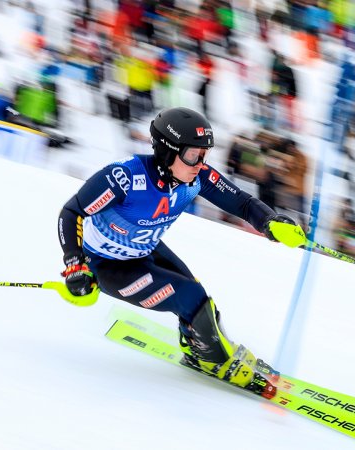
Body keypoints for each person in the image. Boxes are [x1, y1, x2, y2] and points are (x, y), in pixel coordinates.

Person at [57, 107, 307, 396]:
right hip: (104, 266)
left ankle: (198, 344)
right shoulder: (124, 177)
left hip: (142, 251)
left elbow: (242, 202)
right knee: (190, 296)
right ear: (167, 152)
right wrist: (75, 265)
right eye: (192, 155)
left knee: (199, 299)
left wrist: (270, 222)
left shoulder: (195, 178)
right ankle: (214, 359)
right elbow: (72, 212)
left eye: (204, 155)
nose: (199, 164)